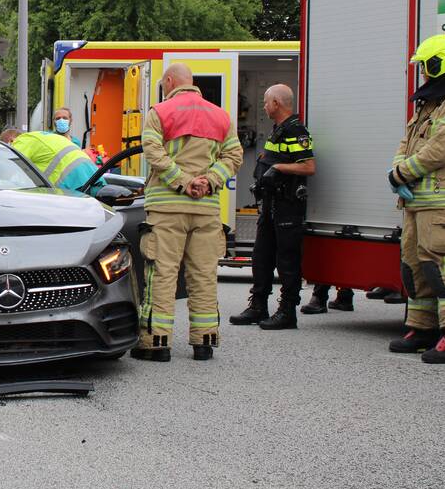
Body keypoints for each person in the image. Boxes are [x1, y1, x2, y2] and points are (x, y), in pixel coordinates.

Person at [133, 63, 243, 361]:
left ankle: (157, 343)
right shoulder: (220, 115)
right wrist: (209, 180)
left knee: (163, 275)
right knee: (204, 275)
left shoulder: (160, 112)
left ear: (170, 81)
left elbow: (152, 151)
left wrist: (183, 181)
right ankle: (204, 342)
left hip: (167, 208)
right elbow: (234, 155)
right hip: (206, 210)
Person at [230, 84, 315, 330]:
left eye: (266, 102)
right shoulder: (279, 129)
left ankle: (287, 311)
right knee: (261, 256)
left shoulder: (296, 130)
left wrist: (277, 168)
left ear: (277, 103)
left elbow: (308, 166)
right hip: (271, 203)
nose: (264, 106)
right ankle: (258, 306)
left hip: (288, 205)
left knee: (287, 259)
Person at [387, 34, 445, 363]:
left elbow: (439, 148)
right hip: (415, 205)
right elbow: (406, 142)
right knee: (414, 267)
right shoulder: (427, 104)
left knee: (441, 267)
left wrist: (402, 173)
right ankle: (421, 328)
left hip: (440, 205)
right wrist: (396, 169)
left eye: (426, 66)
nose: (423, 73)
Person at [0, 128, 105, 193]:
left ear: (11, 140)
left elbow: (7, 168)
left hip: (74, 182)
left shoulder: (21, 140)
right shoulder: (40, 136)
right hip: (92, 174)